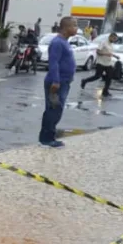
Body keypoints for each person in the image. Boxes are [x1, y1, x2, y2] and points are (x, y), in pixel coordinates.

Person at [39, 17, 78, 148]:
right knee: (53, 110)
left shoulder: (65, 42)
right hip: (57, 83)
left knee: (56, 109)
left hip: (64, 82)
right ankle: (47, 139)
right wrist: (55, 81)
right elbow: (53, 63)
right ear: (66, 28)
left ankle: (47, 137)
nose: (76, 28)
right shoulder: (57, 42)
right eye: (74, 25)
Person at [81, 33, 118, 97]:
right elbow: (98, 51)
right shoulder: (103, 43)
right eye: (114, 39)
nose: (114, 40)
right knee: (97, 76)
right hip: (100, 63)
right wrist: (105, 54)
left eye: (115, 39)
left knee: (109, 77)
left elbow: (110, 53)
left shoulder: (111, 44)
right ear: (110, 37)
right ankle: (85, 81)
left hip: (108, 63)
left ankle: (105, 91)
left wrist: (115, 56)